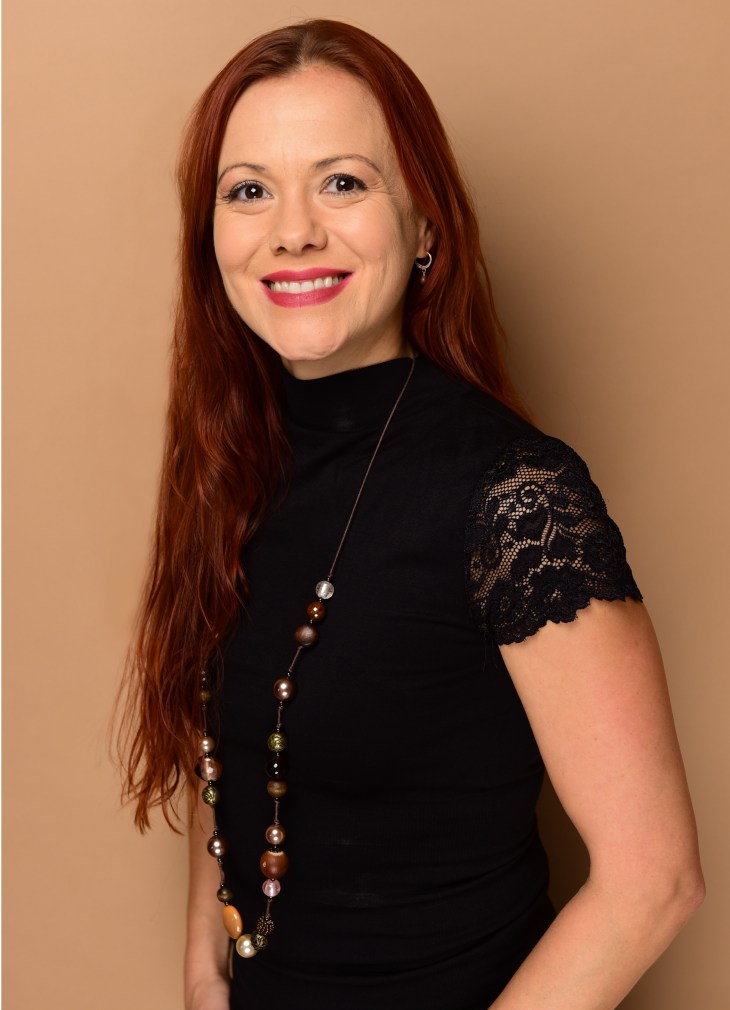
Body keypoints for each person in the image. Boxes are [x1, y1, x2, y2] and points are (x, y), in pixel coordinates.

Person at [119, 19, 704, 1010]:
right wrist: (204, 977)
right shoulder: (230, 468)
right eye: (248, 189)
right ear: (209, 234)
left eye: (342, 181)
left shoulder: (513, 493)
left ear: (425, 226)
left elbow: (653, 882)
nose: (291, 229)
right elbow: (241, 754)